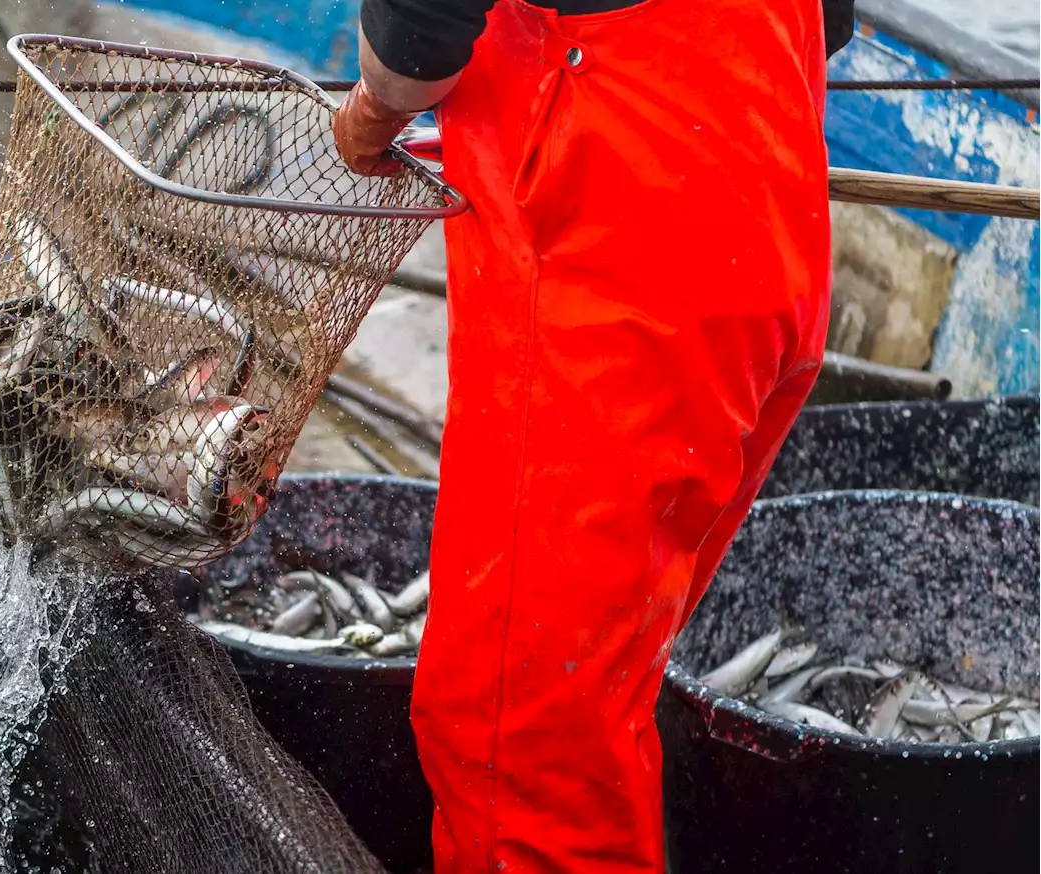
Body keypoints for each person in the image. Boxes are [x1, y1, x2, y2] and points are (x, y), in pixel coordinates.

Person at [332, 1, 855, 871]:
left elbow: (417, 40)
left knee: (521, 742)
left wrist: (373, 112)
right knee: (599, 691)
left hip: (618, 260)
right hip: (765, 216)